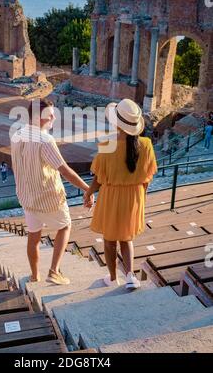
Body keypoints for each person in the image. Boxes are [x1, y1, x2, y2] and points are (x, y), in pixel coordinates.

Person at [11, 98, 92, 285]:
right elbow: (64, 170)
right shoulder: (45, 140)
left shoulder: (17, 135)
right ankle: (54, 271)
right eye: (49, 115)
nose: (54, 117)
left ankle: (34, 275)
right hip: (48, 198)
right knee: (64, 226)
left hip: (27, 198)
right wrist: (88, 189)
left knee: (33, 236)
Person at [84, 98, 157, 290]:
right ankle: (131, 276)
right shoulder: (147, 144)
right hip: (134, 196)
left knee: (109, 241)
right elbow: (147, 178)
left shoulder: (107, 144)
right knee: (126, 238)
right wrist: (140, 198)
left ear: (117, 122)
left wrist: (88, 193)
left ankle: (112, 277)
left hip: (111, 197)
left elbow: (99, 179)